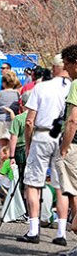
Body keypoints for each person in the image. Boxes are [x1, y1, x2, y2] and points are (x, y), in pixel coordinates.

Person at [18, 54, 71, 247]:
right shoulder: (72, 87)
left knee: (33, 183)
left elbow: (29, 120)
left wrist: (29, 143)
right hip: (63, 138)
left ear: (55, 67)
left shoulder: (41, 87)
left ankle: (33, 230)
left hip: (42, 135)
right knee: (61, 186)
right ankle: (61, 232)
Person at [57, 44, 77, 240]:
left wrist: (64, 149)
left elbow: (72, 120)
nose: (66, 70)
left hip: (75, 146)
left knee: (73, 193)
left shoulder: (76, 85)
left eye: (67, 65)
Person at [0, 72, 22, 162]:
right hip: (12, 121)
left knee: (1, 145)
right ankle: (8, 166)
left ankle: (1, 165)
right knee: (9, 145)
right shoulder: (17, 94)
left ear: (4, 82)